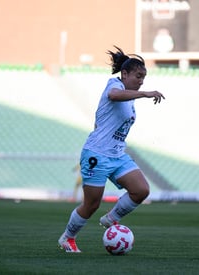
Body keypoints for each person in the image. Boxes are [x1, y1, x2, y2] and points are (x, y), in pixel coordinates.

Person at [58, 46, 165, 253]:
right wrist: (144, 93)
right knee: (91, 205)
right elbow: (114, 95)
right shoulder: (114, 84)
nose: (141, 81)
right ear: (124, 74)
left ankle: (112, 218)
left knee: (141, 190)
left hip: (117, 154)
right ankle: (67, 238)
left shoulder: (130, 97)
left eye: (144, 77)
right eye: (138, 76)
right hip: (97, 154)